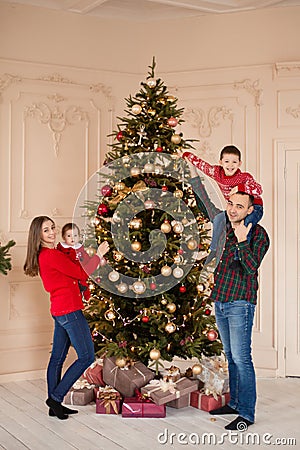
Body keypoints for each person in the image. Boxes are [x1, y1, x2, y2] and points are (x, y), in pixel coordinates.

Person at [189, 169, 270, 430]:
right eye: (231, 203)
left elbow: (250, 267)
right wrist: (193, 180)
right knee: (230, 356)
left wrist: (243, 241)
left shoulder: (258, 235)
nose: (233, 209)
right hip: (221, 300)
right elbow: (206, 206)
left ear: (249, 211)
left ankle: (246, 413)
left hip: (240, 303)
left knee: (242, 357)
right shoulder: (222, 225)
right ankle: (234, 402)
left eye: (239, 206)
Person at [24, 216, 109, 420]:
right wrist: (98, 255)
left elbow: (71, 270)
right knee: (87, 356)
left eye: (53, 228)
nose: (52, 232)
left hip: (59, 310)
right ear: (38, 235)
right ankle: (56, 397)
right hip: (69, 311)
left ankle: (55, 406)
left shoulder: (48, 254)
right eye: (46, 230)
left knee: (57, 358)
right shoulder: (51, 255)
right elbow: (80, 273)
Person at [183, 145, 263, 265]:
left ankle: (237, 255)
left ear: (239, 163)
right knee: (219, 217)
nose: (230, 165)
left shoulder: (244, 178)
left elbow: (258, 189)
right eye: (227, 161)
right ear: (221, 162)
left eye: (234, 162)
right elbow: (203, 166)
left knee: (245, 227)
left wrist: (239, 187)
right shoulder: (217, 173)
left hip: (257, 206)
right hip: (218, 276)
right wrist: (188, 158)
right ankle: (213, 249)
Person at [57, 222, 106, 301]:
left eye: (75, 236)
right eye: (69, 236)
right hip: (71, 274)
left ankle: (85, 296)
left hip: (81, 273)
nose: (72, 238)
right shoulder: (61, 249)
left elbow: (87, 260)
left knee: (83, 285)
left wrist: (94, 261)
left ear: (79, 237)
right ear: (64, 237)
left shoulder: (80, 249)